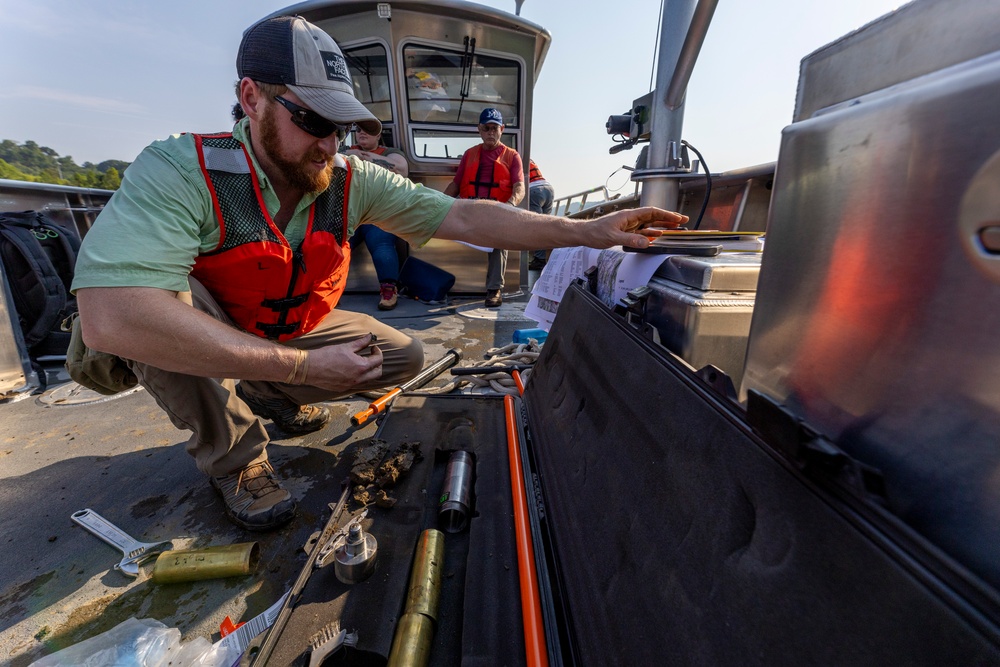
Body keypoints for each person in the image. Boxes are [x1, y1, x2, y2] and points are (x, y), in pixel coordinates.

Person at [72, 15, 687, 531]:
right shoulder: (180, 169)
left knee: (402, 357)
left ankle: (263, 389)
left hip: (277, 331)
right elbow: (114, 314)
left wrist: (586, 232)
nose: (328, 146)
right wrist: (305, 367)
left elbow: (466, 216)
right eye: (313, 121)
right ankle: (236, 458)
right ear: (252, 96)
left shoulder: (349, 180)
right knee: (156, 311)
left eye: (339, 128)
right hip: (213, 331)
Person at [443, 108, 525, 308]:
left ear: (502, 129)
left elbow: (519, 187)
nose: (491, 132)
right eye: (486, 128)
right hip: (469, 210)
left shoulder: (512, 156)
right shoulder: (469, 154)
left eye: (494, 128)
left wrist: (510, 206)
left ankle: (494, 289)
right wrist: (439, 203)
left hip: (495, 212)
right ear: (479, 129)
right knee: (431, 227)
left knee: (499, 239)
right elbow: (456, 184)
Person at [343, 126, 409, 310]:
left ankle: (389, 290)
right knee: (334, 244)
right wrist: (353, 154)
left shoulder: (391, 153)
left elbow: (402, 169)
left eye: (368, 130)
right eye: (359, 130)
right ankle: (325, 289)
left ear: (379, 134)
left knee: (381, 245)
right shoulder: (344, 151)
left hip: (377, 214)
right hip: (351, 214)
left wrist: (364, 158)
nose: (362, 133)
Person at [527, 158, 555, 270]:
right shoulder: (529, 159)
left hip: (534, 190)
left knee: (537, 226)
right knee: (544, 226)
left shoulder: (513, 159)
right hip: (548, 189)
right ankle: (545, 258)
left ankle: (539, 260)